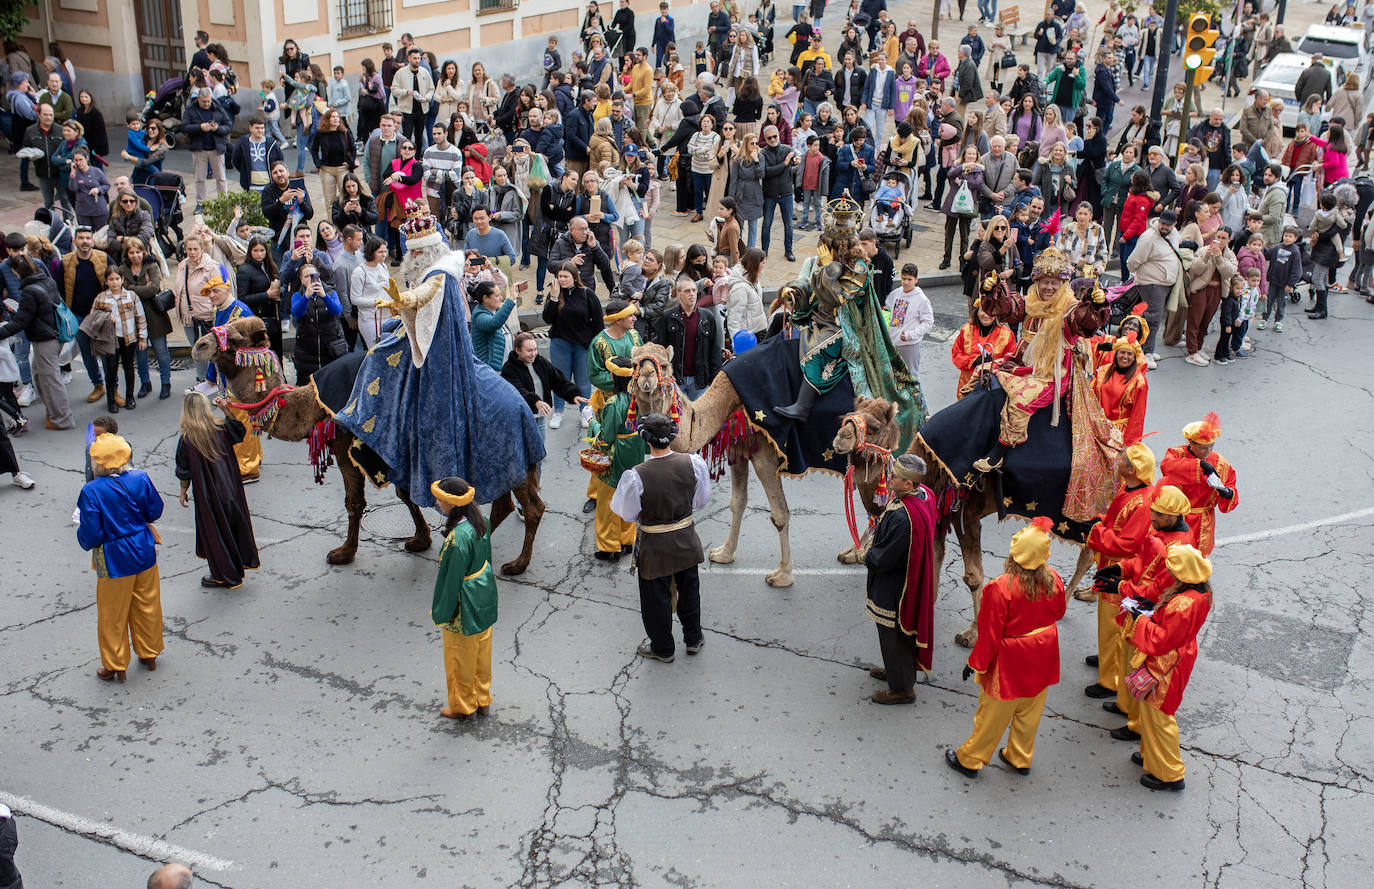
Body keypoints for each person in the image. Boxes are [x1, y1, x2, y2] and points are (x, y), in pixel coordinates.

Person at [946, 517, 1066, 777]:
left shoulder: (1001, 587)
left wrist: (974, 663)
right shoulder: (1054, 578)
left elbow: (989, 634)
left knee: (991, 715)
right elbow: (1059, 611)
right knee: (1030, 712)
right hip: (1043, 653)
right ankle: (1019, 757)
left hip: (1011, 662)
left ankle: (970, 759)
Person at [609, 411, 711, 662]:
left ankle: (663, 648)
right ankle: (693, 638)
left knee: (656, 599)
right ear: (671, 437)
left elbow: (627, 513)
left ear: (647, 440)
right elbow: (701, 500)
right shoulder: (693, 463)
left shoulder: (636, 475)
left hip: (654, 547)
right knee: (689, 591)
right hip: (687, 539)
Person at [77, 433, 164, 680]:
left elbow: (92, 534)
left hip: (113, 557)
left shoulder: (92, 490)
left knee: (112, 613)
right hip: (143, 549)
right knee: (147, 603)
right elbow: (155, 510)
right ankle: (149, 653)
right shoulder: (140, 478)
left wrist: (82, 538)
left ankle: (115, 664)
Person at [1128, 544, 1214, 791]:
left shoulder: (1182, 603)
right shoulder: (1198, 595)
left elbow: (1162, 640)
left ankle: (1170, 773)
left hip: (1167, 664)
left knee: (1160, 714)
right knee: (1152, 711)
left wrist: (1141, 620)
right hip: (1175, 657)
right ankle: (1153, 757)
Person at [860, 453, 939, 704]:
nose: (888, 478)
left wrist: (865, 554)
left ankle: (903, 688)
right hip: (909, 576)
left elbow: (882, 559)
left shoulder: (901, 517)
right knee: (894, 637)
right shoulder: (924, 493)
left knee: (893, 634)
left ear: (908, 484)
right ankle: (895, 671)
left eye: (893, 476)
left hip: (897, 588)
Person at [1083, 441, 1156, 698]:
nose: (1119, 461)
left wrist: (1094, 531)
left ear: (1133, 469)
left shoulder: (1143, 504)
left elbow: (1125, 544)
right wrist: (1101, 522)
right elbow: (1115, 521)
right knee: (1107, 622)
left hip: (1120, 571)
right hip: (1111, 566)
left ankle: (1111, 679)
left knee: (1113, 624)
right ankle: (1107, 658)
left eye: (1124, 459)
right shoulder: (1130, 489)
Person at [428, 475, 499, 720]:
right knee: (482, 653)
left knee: (460, 658)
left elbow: (450, 582)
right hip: (484, 595)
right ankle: (482, 700)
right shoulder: (482, 522)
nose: (437, 503)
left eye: (440, 499)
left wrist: (442, 613)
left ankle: (462, 707)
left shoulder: (457, 539)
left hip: (464, 604)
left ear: (453, 504)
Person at [176, 392, 259, 588]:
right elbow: (239, 431)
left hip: (208, 496)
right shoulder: (221, 428)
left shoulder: (187, 439)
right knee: (234, 527)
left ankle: (223, 575)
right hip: (230, 488)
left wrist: (183, 492)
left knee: (215, 534)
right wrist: (225, 409)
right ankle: (240, 563)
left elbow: (184, 471)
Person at [0, 254, 71, 429]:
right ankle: (53, 412)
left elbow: (21, 322)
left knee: (50, 380)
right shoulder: (46, 281)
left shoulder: (29, 291)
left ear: (17, 271)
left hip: (44, 339)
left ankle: (62, 419)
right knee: (41, 376)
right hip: (53, 334)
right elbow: (38, 311)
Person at [588, 354, 646, 560]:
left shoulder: (613, 403)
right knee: (629, 497)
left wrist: (591, 423)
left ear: (613, 376)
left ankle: (609, 546)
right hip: (636, 453)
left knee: (608, 502)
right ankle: (626, 539)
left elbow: (605, 438)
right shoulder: (638, 399)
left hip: (617, 456)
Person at [1158, 413, 1238, 557]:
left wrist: (1228, 493)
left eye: (1211, 447)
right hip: (1177, 519)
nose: (1208, 452)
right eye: (1203, 448)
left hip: (1203, 523)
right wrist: (1199, 465)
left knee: (1197, 562)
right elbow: (1167, 467)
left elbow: (1230, 484)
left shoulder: (1219, 462)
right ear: (1191, 443)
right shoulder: (1176, 454)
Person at [542, 261, 603, 426]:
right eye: (559, 276)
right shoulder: (555, 293)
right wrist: (554, 297)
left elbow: (598, 323)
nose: (562, 280)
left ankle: (585, 412)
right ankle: (558, 412)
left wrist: (597, 346)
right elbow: (547, 318)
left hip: (583, 345)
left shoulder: (587, 294)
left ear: (574, 277)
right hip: (560, 343)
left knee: (583, 381)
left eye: (565, 276)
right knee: (560, 379)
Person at [502, 330, 588, 442]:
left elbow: (557, 380)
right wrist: (536, 401)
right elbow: (518, 390)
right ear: (517, 350)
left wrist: (573, 394)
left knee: (540, 450)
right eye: (529, 350)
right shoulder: (509, 369)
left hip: (540, 414)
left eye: (535, 349)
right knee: (529, 452)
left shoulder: (540, 361)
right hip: (522, 417)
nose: (533, 354)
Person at [1125, 210, 1181, 366]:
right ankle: (1145, 352)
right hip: (1152, 283)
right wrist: (1138, 275)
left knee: (1153, 318)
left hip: (1165, 283)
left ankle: (1147, 349)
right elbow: (1133, 261)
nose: (1164, 227)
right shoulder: (1148, 238)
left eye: (1168, 225)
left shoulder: (1174, 233)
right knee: (1152, 318)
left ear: (1174, 225)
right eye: (1162, 223)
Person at [654, 275, 722, 399]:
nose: (691, 294)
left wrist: (714, 379)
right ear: (678, 294)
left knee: (697, 417)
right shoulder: (667, 317)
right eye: (687, 291)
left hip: (700, 381)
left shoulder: (707, 317)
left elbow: (714, 350)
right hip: (675, 380)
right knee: (678, 417)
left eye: (694, 290)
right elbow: (660, 350)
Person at [90, 266, 147, 413]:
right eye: (111, 279)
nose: (114, 282)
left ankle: (130, 397)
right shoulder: (101, 298)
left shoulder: (131, 296)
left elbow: (140, 317)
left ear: (122, 279)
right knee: (111, 369)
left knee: (129, 368)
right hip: (110, 339)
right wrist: (107, 318)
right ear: (106, 281)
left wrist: (142, 337)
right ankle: (111, 400)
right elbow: (93, 318)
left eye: (117, 279)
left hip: (129, 338)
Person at [290, 260, 346, 384]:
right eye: (306, 276)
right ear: (301, 279)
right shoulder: (297, 296)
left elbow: (337, 310)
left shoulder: (331, 292)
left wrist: (324, 296)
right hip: (307, 350)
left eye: (313, 276)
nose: (310, 279)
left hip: (330, 348)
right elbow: (297, 312)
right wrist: (306, 297)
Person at [179, 88, 232, 212]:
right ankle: (200, 203)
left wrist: (217, 129)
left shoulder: (217, 107)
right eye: (204, 102)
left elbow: (228, 126)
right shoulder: (191, 110)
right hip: (199, 149)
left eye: (208, 101)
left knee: (221, 177)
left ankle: (224, 201)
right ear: (198, 99)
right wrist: (199, 127)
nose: (207, 104)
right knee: (199, 178)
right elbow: (184, 127)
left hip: (216, 148)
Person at [886, 261, 933, 375]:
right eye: (903, 278)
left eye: (909, 279)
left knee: (911, 375)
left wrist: (911, 335)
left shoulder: (922, 299)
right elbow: (887, 311)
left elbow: (928, 322)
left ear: (916, 280)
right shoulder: (895, 293)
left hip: (909, 345)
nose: (906, 282)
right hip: (893, 342)